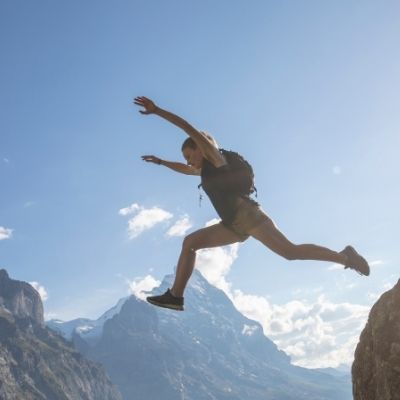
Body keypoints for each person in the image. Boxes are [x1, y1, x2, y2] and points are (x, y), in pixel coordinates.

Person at [134, 96, 370, 311]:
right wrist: (162, 162)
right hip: (232, 224)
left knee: (290, 252)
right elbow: (185, 170)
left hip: (247, 215)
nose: (188, 161)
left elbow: (187, 127)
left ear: (200, 149)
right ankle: (176, 296)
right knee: (190, 243)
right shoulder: (205, 170)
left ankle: (345, 257)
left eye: (189, 155)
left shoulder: (215, 157)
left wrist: (157, 111)